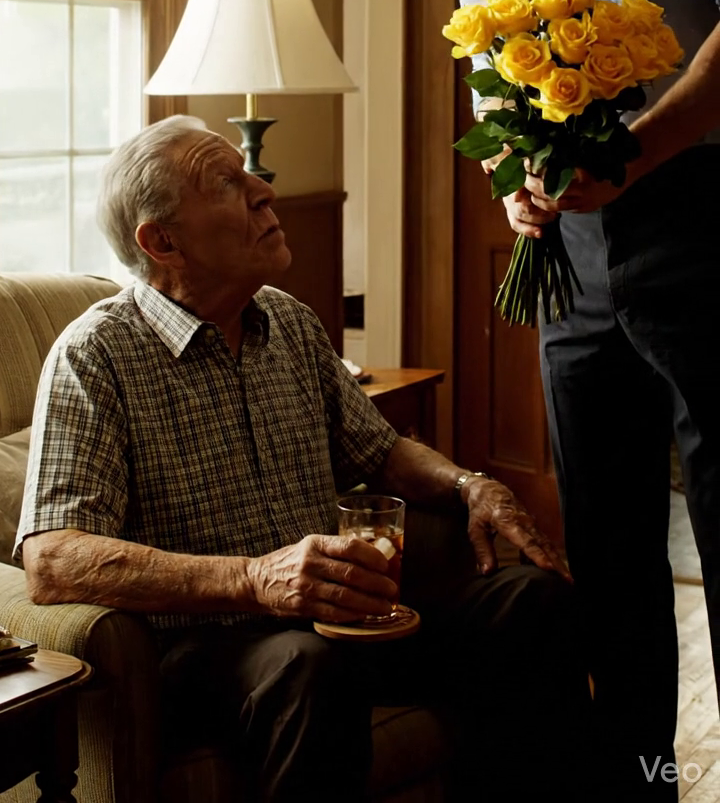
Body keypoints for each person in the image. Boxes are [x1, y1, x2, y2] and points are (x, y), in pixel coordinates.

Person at [322, 0, 720, 800]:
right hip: (569, 258)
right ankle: (647, 776)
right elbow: (496, 77)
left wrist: (641, 146)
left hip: (704, 219)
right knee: (606, 541)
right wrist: (513, 176)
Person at [17, 116, 593, 803]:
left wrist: (470, 484)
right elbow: (52, 559)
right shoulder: (95, 356)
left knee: (529, 601)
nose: (264, 191)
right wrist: (256, 578)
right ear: (161, 241)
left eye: (249, 173)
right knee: (305, 665)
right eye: (226, 184)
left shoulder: (287, 320)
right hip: (209, 649)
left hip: (341, 620)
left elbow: (382, 452)